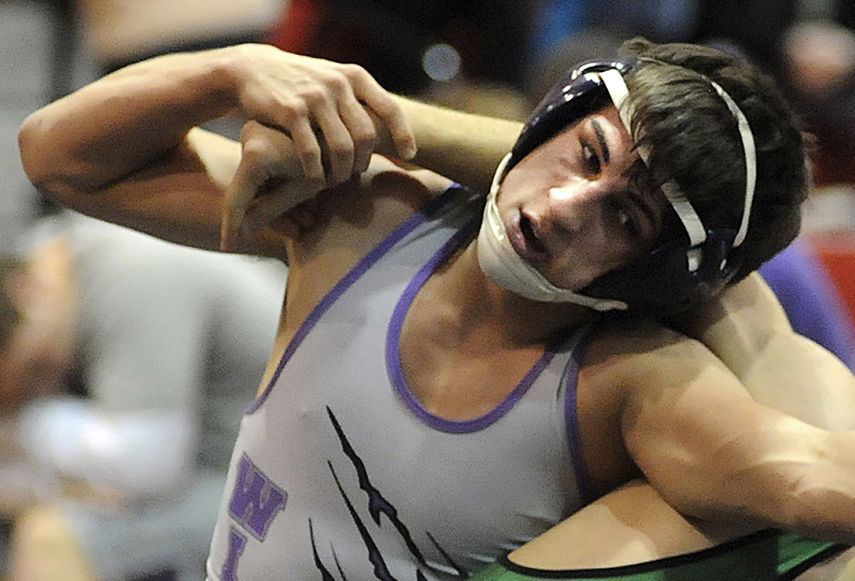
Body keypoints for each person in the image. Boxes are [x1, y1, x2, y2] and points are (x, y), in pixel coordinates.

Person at [16, 39, 855, 579]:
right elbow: (60, 159)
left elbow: (820, 479)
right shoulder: (364, 219)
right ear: (552, 116)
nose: (563, 206)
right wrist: (228, 70)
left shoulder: (634, 385)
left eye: (625, 219)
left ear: (661, 275)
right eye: (583, 152)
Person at [0, 212, 286, 581]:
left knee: (51, 538)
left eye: (33, 373)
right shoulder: (47, 262)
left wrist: (22, 427)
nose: (36, 390)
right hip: (210, 467)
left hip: (278, 484)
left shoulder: (130, 269)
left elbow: (149, 464)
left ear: (27, 291)